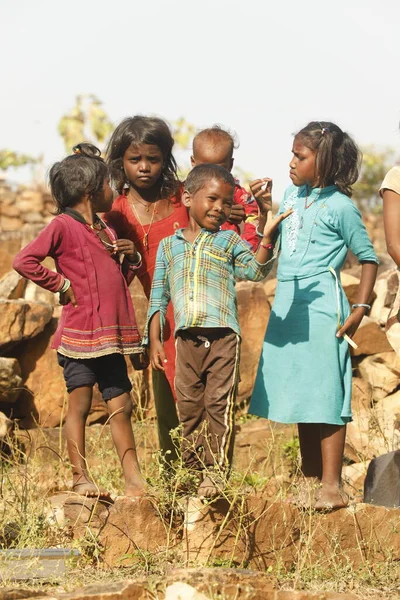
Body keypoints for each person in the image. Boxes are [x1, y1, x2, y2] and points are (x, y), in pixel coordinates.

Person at [105, 116, 267, 461]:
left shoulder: (186, 197)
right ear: (121, 161)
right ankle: (176, 486)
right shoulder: (117, 212)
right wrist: (134, 334)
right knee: (172, 409)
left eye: (154, 159)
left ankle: (216, 483)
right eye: (135, 160)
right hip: (163, 321)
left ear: (167, 159)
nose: (145, 168)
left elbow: (225, 224)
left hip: (207, 314)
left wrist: (234, 215)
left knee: (215, 404)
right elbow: (115, 277)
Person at [249, 121, 378, 511]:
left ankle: (332, 485)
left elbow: (369, 258)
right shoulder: (291, 195)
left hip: (323, 303)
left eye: (300, 156)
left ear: (324, 162)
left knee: (326, 389)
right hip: (289, 302)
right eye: (292, 153)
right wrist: (262, 210)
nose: (291, 162)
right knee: (303, 392)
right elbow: (273, 246)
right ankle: (309, 478)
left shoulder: (341, 207)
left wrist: (360, 308)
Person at [144, 164, 292, 498]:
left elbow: (255, 270)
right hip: (185, 338)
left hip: (223, 336)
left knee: (217, 404)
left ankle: (215, 473)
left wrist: (267, 234)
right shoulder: (169, 247)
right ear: (187, 197)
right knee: (189, 407)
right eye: (212, 199)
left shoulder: (228, 240)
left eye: (226, 203)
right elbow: (158, 296)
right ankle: (191, 470)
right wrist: (154, 340)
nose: (219, 208)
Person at [13, 143, 146, 498]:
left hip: (111, 337)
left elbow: (117, 280)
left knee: (122, 404)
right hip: (80, 335)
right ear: (90, 191)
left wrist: (130, 258)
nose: (112, 191)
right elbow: (24, 261)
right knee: (81, 403)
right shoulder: (61, 226)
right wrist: (61, 283)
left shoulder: (105, 229)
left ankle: (134, 480)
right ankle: (80, 477)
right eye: (107, 184)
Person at [191, 125, 266, 250]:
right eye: (205, 168)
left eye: (219, 168)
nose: (212, 175)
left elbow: (253, 217)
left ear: (230, 165)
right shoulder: (187, 190)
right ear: (193, 162)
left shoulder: (235, 192)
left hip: (224, 254)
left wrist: (246, 247)